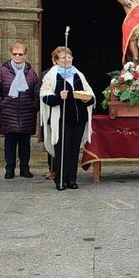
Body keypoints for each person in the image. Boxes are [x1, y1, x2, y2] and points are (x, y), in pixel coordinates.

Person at [40, 46, 94, 190]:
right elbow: (44, 97)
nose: (67, 59)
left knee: (74, 149)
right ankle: (60, 179)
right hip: (61, 119)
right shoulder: (50, 76)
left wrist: (86, 99)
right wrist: (58, 97)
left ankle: (72, 178)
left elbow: (90, 93)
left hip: (78, 119)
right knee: (62, 150)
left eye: (69, 57)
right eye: (63, 57)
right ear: (56, 60)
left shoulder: (78, 74)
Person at [0, 42, 40, 180]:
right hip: (8, 112)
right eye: (15, 54)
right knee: (10, 142)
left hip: (27, 113)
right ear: (11, 54)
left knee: (25, 143)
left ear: (25, 55)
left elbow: (37, 91)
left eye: (21, 54)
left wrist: (34, 105)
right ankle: (9, 169)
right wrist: (1, 105)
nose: (18, 56)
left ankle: (25, 168)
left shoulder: (31, 72)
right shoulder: (3, 71)